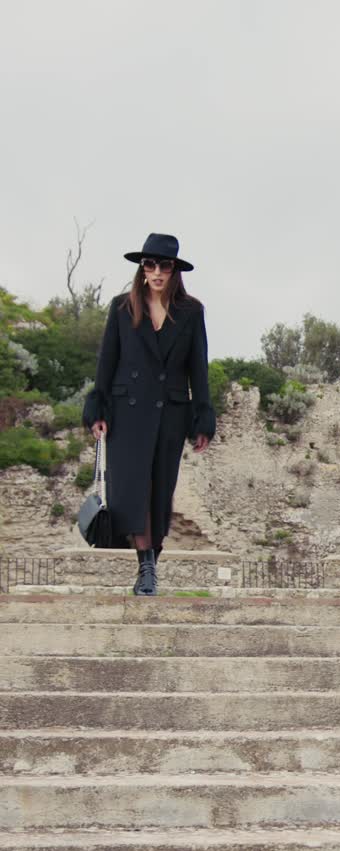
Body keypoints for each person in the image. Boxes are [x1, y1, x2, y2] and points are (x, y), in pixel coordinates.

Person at [82, 233, 215, 595]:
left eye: (165, 265)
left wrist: (202, 417)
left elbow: (197, 369)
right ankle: (147, 570)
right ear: (142, 268)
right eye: (150, 264)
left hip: (170, 413)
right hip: (127, 414)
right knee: (134, 489)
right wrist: (99, 408)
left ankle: (150, 561)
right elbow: (106, 363)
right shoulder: (122, 307)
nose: (157, 272)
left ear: (175, 270)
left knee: (160, 490)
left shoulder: (191, 311)